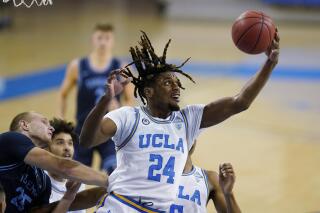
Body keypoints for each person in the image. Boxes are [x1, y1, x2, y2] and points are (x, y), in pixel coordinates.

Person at [80, 30, 280, 212]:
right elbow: (87, 140)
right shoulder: (128, 117)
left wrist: (270, 63)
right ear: (149, 92)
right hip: (121, 205)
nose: (176, 88)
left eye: (177, 82)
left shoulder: (187, 119)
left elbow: (240, 102)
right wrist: (107, 99)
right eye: (168, 83)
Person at [58, 23, 134, 174]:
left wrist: (120, 111)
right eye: (99, 38)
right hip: (83, 130)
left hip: (109, 132)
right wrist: (60, 119)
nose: (103, 42)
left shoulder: (121, 67)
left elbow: (130, 99)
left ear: (113, 41)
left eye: (107, 38)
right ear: (93, 40)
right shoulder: (78, 66)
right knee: (75, 178)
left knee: (113, 173)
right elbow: (62, 94)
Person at [0, 111, 108, 212]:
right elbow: (63, 166)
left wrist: (68, 196)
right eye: (44, 122)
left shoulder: (42, 181)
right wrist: (110, 181)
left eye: (70, 143)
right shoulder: (11, 139)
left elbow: (45, 211)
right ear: (25, 125)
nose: (51, 128)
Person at [170, 143, 241, 213]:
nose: (189, 140)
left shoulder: (210, 178)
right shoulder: (159, 177)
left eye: (192, 136)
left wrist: (228, 193)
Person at [46, 118, 86, 213]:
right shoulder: (38, 181)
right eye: (60, 142)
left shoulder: (78, 182)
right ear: (47, 148)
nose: (67, 148)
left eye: (70, 143)